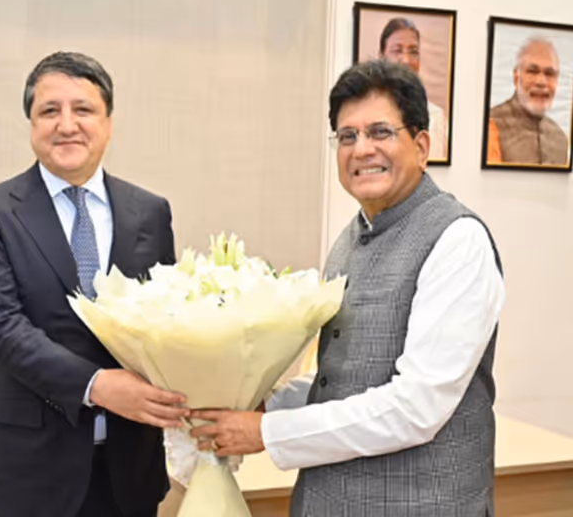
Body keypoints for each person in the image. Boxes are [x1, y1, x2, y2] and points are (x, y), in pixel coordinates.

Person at [189, 60, 505, 516]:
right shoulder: (350, 238)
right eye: (347, 136)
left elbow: (416, 408)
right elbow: (340, 376)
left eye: (380, 132)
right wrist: (261, 401)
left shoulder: (458, 240)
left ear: (421, 145)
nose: (361, 149)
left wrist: (267, 433)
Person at [0, 52, 187, 517]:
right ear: (31, 124)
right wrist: (97, 385)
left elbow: (168, 320)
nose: (67, 125)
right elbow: (2, 329)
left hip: (131, 467)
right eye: (49, 111)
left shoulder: (150, 211)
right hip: (33, 469)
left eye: (83, 110)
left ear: (107, 122)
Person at [486, 35, 570, 166]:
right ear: (516, 77)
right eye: (532, 71)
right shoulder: (492, 124)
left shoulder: (560, 138)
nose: (541, 82)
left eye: (549, 73)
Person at [377, 17, 448, 161]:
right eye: (397, 51)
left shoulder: (435, 116)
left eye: (413, 52)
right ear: (381, 57)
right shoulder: (368, 112)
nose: (406, 60)